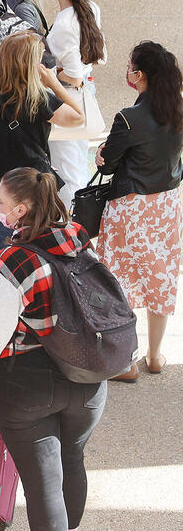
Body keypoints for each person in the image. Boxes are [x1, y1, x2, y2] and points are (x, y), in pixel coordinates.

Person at [0, 168, 106, 531]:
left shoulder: (11, 262)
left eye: (1, 202)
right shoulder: (80, 242)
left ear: (20, 210)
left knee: (43, 483)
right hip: (87, 378)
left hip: (27, 386)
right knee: (72, 460)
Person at [94, 41, 183, 381]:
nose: (127, 71)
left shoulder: (128, 118)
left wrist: (102, 152)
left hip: (131, 208)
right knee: (159, 277)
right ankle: (156, 355)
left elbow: (109, 164)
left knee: (121, 283)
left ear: (141, 75)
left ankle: (126, 361)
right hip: (166, 206)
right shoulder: (177, 109)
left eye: (131, 66)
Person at [0, 32, 84, 248]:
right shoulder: (39, 99)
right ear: (30, 65)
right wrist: (53, 83)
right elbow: (78, 118)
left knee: (1, 260)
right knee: (38, 257)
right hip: (35, 195)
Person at [43, 0, 105, 208]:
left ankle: (74, 225)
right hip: (86, 93)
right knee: (78, 160)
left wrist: (49, 74)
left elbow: (73, 75)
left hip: (68, 97)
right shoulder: (90, 8)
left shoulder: (63, 26)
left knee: (67, 171)